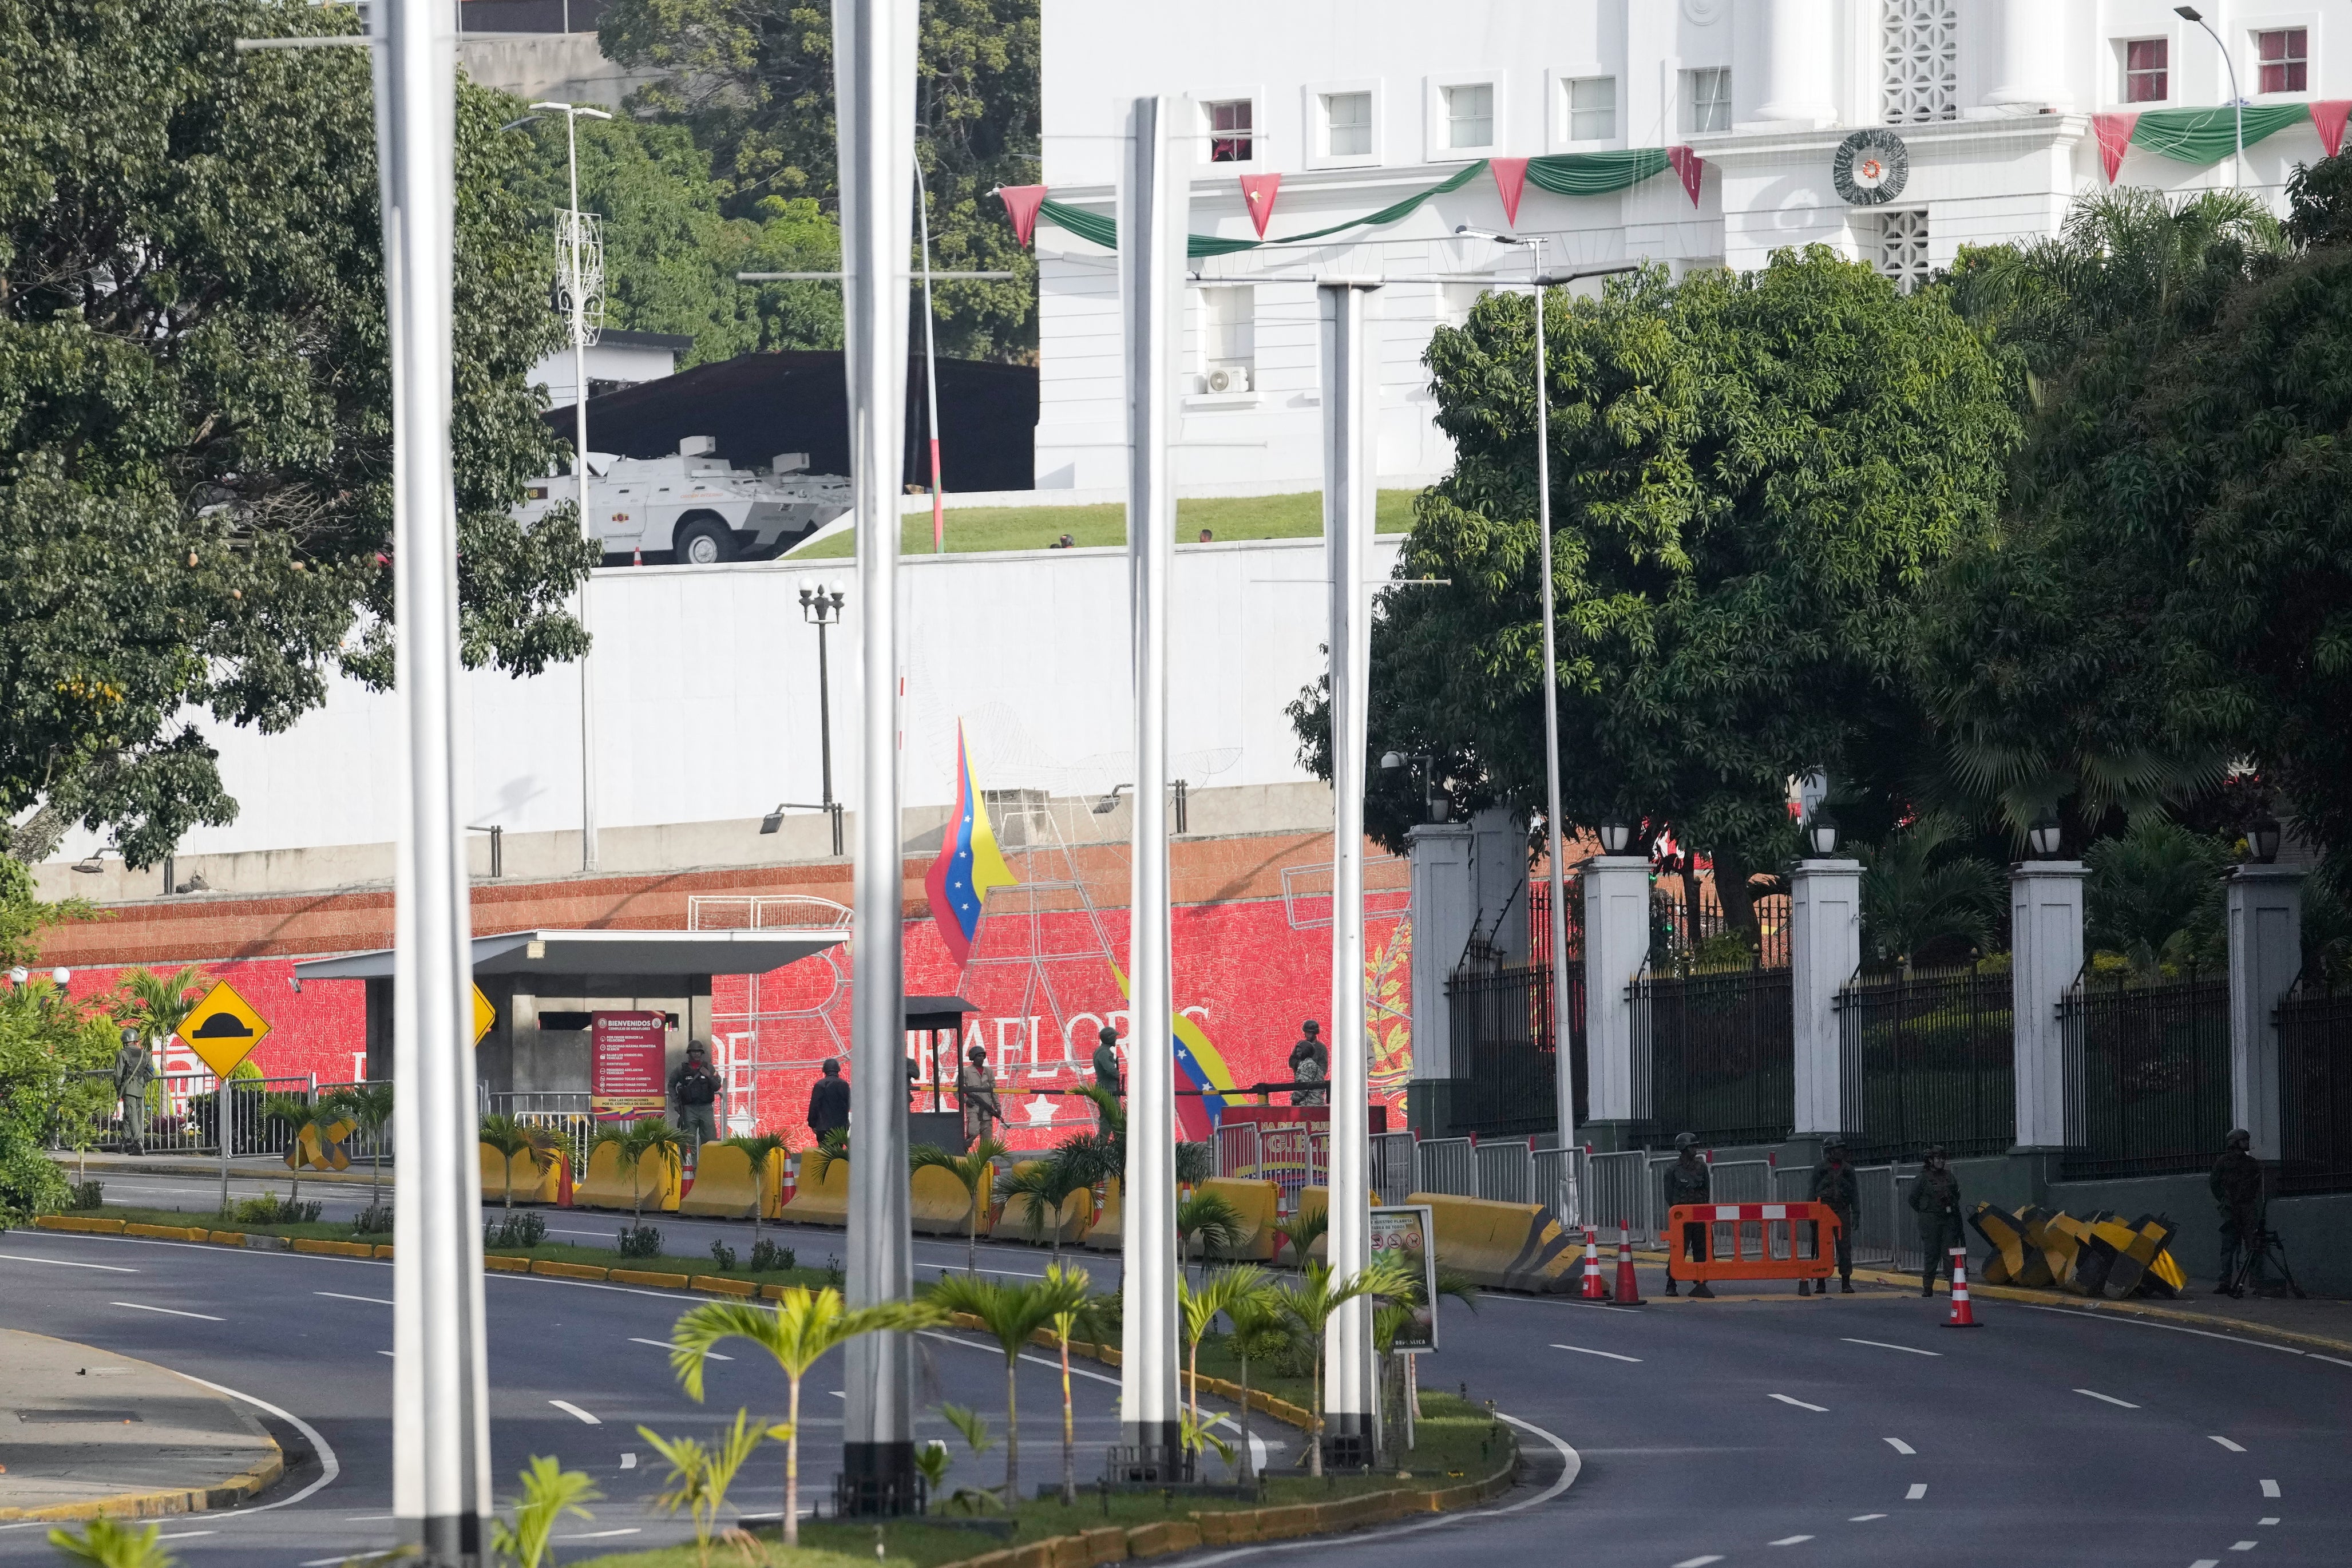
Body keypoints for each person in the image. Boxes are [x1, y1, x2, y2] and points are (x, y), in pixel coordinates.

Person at [2210, 1127, 2263, 1296]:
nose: (2247, 1143)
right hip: (2231, 1209)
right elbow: (2214, 1184)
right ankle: (2224, 1282)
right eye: (2244, 1140)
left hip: (2247, 1207)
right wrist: (2225, 1201)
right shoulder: (2223, 1162)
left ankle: (2257, 1283)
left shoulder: (2252, 1164)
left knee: (2253, 1244)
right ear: (2235, 1143)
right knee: (2228, 1246)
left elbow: (2256, 1185)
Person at [1805, 1139, 1859, 1295]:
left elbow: (1854, 1193)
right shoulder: (1820, 1169)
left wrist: (1857, 1213)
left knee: (1844, 1247)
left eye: (1841, 1149)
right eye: (1837, 1150)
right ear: (1829, 1151)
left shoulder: (1849, 1170)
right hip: (1824, 1211)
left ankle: (1846, 1283)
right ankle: (1820, 1283)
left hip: (1842, 1210)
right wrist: (1812, 1213)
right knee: (1822, 1247)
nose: (1840, 1152)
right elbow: (1812, 1191)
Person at [1662, 1133, 1713, 1297]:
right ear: (1683, 1148)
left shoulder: (1702, 1167)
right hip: (1682, 1219)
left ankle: (1701, 1282)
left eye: (1695, 1146)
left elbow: (1706, 1190)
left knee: (1702, 1249)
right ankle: (1672, 1283)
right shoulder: (1673, 1170)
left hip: (1699, 1216)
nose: (1695, 1149)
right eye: (1692, 1146)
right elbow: (1669, 1196)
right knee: (1679, 1250)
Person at [1909, 1146, 1964, 1297]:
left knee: (1951, 1252)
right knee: (1932, 1253)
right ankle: (1928, 1287)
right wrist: (1926, 1212)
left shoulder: (1949, 1176)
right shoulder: (1922, 1178)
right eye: (1938, 1158)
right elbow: (1913, 1199)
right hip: (1930, 1220)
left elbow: (1956, 1195)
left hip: (1948, 1219)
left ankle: (1955, 1287)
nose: (1941, 1161)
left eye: (1942, 1158)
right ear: (1930, 1160)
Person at [669, 1041, 722, 1158]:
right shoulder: (681, 1069)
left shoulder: (709, 1067)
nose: (697, 1054)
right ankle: (690, 1168)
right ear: (689, 1053)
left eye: (699, 1052)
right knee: (689, 1140)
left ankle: (708, 1166)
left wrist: (708, 1075)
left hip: (706, 1108)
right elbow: (671, 1085)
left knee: (710, 1139)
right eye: (694, 1051)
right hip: (689, 1109)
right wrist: (676, 1102)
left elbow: (718, 1086)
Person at [112, 1026, 154, 1157]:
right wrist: (141, 1081)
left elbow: (117, 1075)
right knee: (131, 1115)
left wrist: (119, 1087)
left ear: (125, 1042)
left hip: (128, 1089)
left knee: (131, 1116)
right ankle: (123, 1142)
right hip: (141, 1090)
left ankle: (139, 1144)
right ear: (135, 1041)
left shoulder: (122, 1054)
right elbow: (152, 1074)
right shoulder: (145, 1054)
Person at [958, 1044, 1003, 1146]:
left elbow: (994, 1089)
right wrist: (966, 1100)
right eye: (979, 1056)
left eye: (983, 1056)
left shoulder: (989, 1071)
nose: (981, 1058)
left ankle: (984, 1160)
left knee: (987, 1139)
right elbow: (957, 1090)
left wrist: (997, 1105)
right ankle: (964, 1148)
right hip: (974, 1108)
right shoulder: (966, 1072)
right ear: (973, 1058)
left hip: (987, 1108)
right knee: (973, 1132)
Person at [1288, 1019, 1329, 1108]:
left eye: (1310, 1033)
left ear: (1315, 1033)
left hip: (1313, 1089)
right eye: (1307, 1032)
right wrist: (1301, 1065)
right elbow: (1292, 1061)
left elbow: (1323, 1068)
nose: (1308, 1035)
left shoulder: (1321, 1048)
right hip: (1300, 1081)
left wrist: (1310, 1070)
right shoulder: (1301, 1045)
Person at [807, 1058, 852, 1139]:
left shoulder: (820, 1085)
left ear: (825, 1071)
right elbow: (849, 1105)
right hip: (841, 1128)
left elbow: (814, 1106)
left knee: (824, 1151)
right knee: (838, 1151)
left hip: (823, 1128)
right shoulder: (844, 1085)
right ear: (838, 1070)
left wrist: (812, 1124)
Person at [1091, 1026, 1123, 1125]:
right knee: (1109, 1120)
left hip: (1109, 1089)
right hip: (1108, 1091)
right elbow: (1110, 1071)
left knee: (1112, 1119)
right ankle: (1103, 1141)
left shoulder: (1103, 1052)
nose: (1116, 1039)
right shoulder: (1103, 1053)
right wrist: (1118, 1075)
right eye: (1114, 1037)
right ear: (1110, 1038)